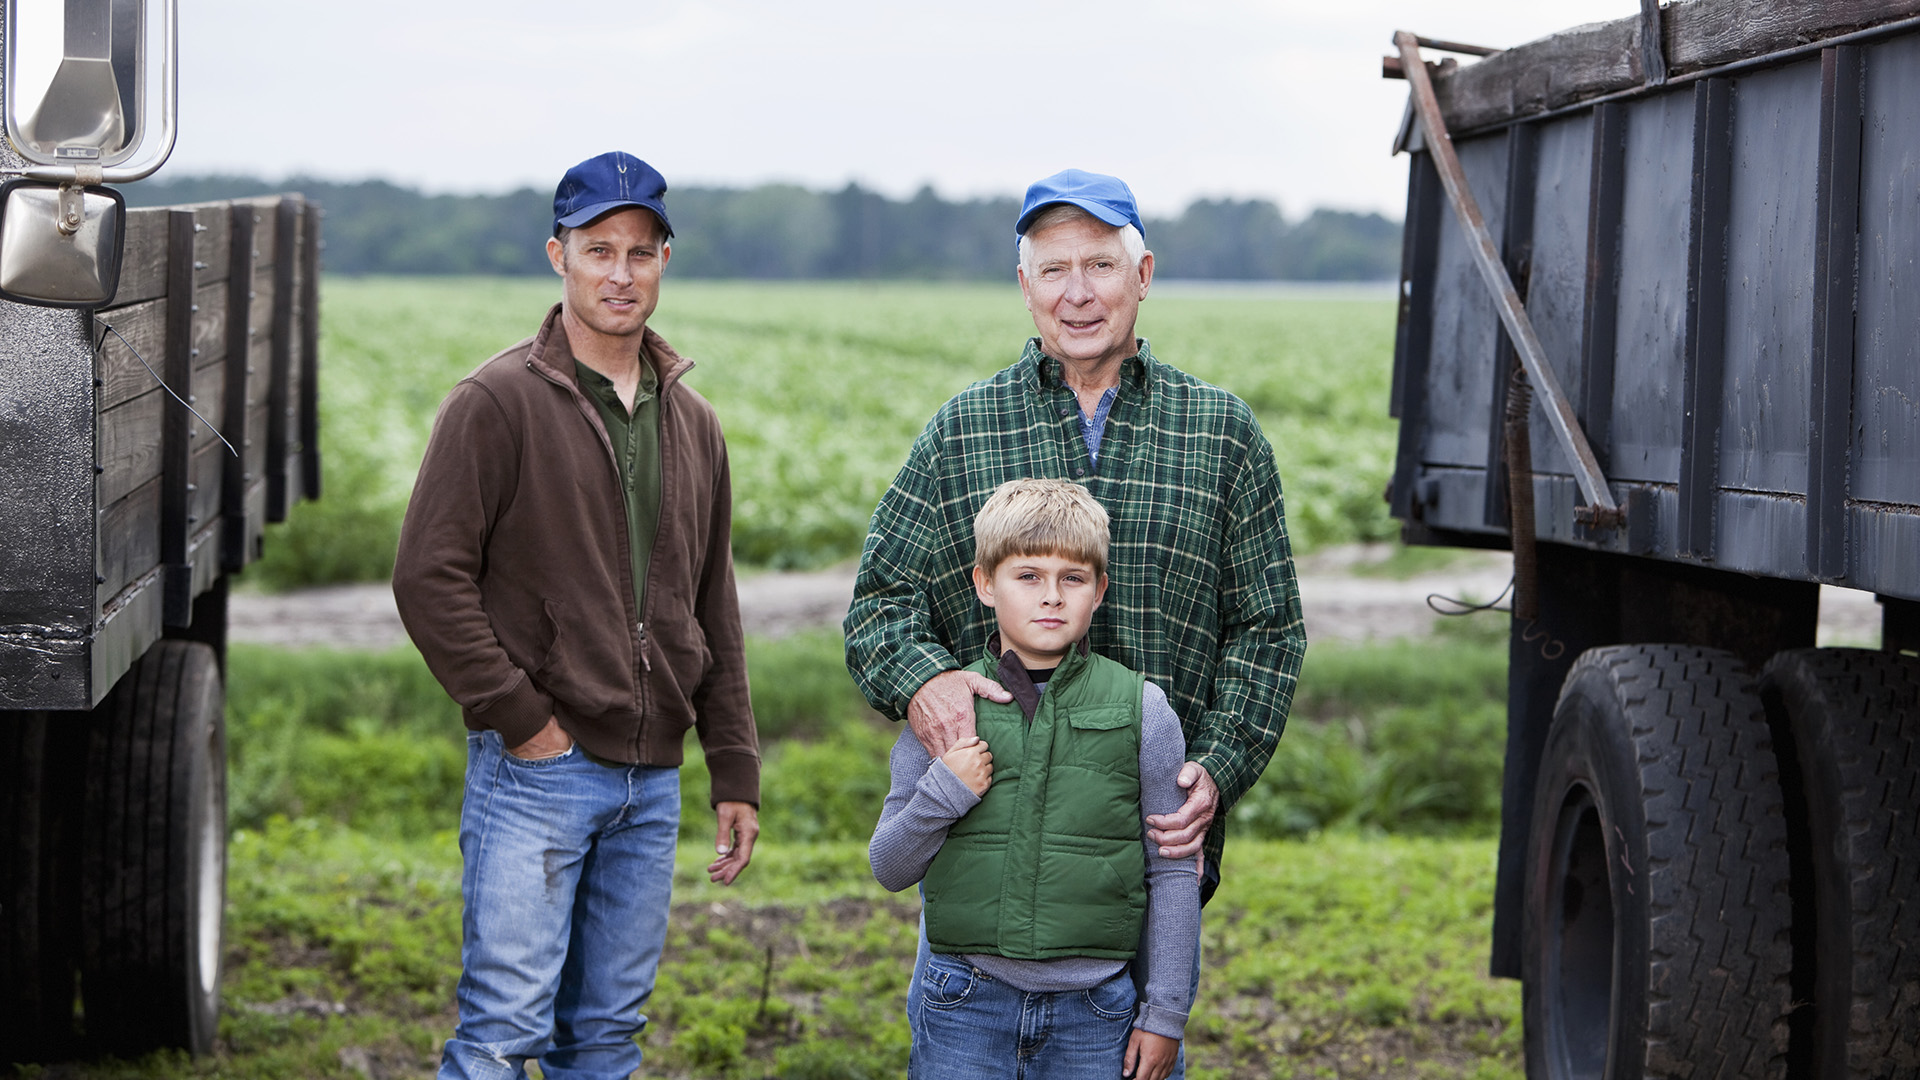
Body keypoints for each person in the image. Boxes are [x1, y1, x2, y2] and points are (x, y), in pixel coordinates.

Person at [844, 168, 1306, 1072]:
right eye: (1053, 269)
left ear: (1143, 276)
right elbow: (879, 608)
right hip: (994, 849)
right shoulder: (962, 431)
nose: (1078, 292)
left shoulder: (1222, 434)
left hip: (1147, 847)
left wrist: (1218, 765)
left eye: (1101, 264)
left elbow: (1268, 629)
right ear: (1024, 288)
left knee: (1129, 1034)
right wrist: (925, 683)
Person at [393, 150, 761, 1080]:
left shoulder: (695, 423)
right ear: (558, 255)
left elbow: (711, 602)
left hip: (652, 783)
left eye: (641, 252)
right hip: (540, 774)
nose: (620, 273)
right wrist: (524, 723)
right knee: (503, 1033)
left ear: (665, 260)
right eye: (599, 250)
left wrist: (734, 764)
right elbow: (427, 578)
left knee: (604, 1037)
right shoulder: (498, 402)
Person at [870, 478, 1199, 1080]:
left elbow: (1172, 869)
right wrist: (944, 792)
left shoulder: (1143, 710)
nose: (1051, 597)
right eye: (1028, 576)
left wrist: (1165, 1014)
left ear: (1098, 590)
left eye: (1071, 578)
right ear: (984, 584)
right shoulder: (945, 713)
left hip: (1097, 1014)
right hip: (965, 1005)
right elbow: (889, 867)